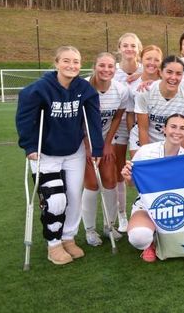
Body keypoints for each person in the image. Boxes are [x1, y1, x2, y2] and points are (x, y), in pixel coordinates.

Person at [16, 46, 103, 265]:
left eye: (76, 61)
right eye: (66, 61)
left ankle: (68, 237)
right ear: (56, 63)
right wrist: (29, 146)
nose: (71, 65)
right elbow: (25, 120)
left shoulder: (85, 89)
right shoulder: (38, 89)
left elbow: (92, 122)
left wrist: (97, 148)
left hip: (74, 151)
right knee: (55, 200)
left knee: (74, 196)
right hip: (45, 153)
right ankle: (53, 243)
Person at [121, 113, 184, 262]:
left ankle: (161, 236)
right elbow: (132, 184)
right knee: (139, 237)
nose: (177, 131)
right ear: (164, 129)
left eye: (182, 128)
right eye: (173, 126)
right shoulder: (145, 152)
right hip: (146, 206)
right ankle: (149, 242)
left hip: (173, 208)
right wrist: (128, 177)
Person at [82, 52, 129, 246]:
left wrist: (108, 143)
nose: (106, 70)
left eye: (110, 66)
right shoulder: (83, 87)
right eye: (102, 65)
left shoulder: (121, 90)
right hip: (84, 140)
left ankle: (109, 225)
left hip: (106, 139)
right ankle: (90, 230)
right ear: (95, 66)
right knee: (92, 183)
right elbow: (78, 121)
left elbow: (117, 117)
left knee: (110, 181)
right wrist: (89, 148)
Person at [131, 55, 184, 154]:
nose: (173, 77)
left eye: (178, 74)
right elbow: (143, 129)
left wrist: (183, 159)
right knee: (143, 166)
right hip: (146, 138)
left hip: (172, 141)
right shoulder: (145, 92)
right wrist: (147, 156)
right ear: (160, 72)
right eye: (169, 72)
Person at [112, 32, 143, 232]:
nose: (129, 49)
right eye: (125, 45)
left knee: (139, 169)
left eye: (133, 45)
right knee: (118, 171)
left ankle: (143, 207)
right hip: (115, 125)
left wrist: (142, 75)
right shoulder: (111, 70)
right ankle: (121, 215)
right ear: (120, 48)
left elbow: (161, 70)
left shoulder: (146, 68)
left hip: (139, 126)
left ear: (139, 48)